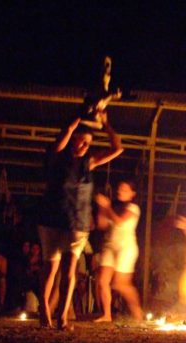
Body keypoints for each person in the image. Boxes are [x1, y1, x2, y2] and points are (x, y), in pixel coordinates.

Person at [38, 110, 123, 330]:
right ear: (73, 139)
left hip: (77, 221)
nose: (85, 146)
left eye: (88, 143)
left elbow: (117, 148)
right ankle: (44, 311)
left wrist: (106, 123)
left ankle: (63, 317)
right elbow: (63, 135)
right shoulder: (57, 157)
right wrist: (77, 120)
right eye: (82, 140)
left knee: (69, 270)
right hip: (52, 218)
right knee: (50, 269)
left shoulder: (89, 163)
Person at [92, 180, 142, 322]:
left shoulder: (133, 208)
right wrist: (102, 208)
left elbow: (120, 221)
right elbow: (101, 225)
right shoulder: (112, 207)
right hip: (109, 245)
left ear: (132, 194)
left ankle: (137, 311)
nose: (121, 192)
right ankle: (107, 315)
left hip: (126, 247)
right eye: (120, 189)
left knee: (120, 283)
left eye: (125, 190)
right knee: (102, 281)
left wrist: (107, 206)